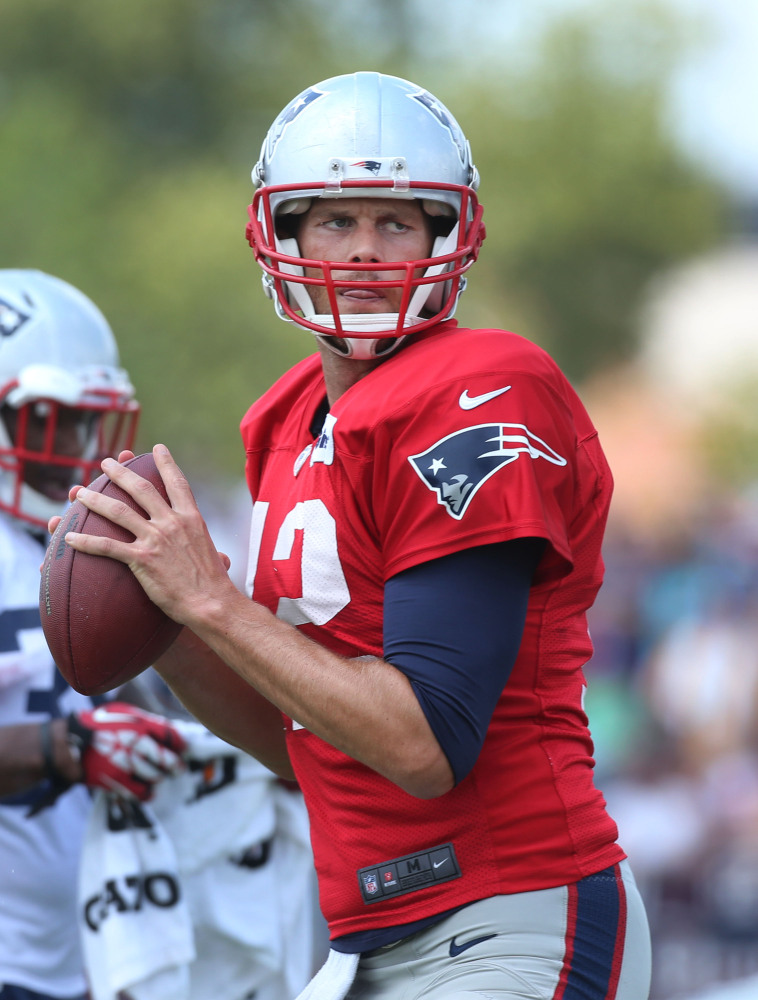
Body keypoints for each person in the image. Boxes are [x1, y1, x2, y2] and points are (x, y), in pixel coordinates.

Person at [54, 73, 653, 1000]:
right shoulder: (283, 420)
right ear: (279, 233)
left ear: (448, 237)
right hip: (369, 942)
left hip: (511, 912)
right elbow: (301, 734)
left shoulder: (483, 388)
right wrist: (171, 621)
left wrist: (215, 601)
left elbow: (423, 744)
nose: (365, 252)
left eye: (396, 222)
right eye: (335, 221)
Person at [0, 269, 187, 1000]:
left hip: (94, 949)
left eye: (87, 421)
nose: (76, 444)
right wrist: (66, 748)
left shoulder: (88, 553)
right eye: (49, 417)